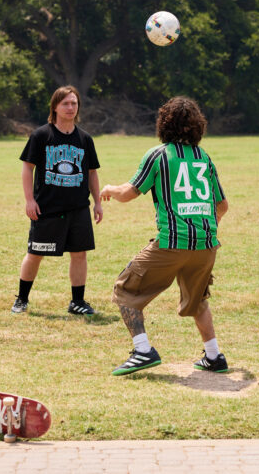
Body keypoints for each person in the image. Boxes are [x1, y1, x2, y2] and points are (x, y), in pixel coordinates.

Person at [100, 96, 229, 376]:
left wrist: (109, 187)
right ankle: (214, 356)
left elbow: (130, 192)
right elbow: (222, 205)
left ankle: (143, 350)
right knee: (198, 300)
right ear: (197, 125)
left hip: (172, 243)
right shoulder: (203, 157)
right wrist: (203, 227)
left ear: (164, 123)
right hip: (207, 245)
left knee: (124, 290)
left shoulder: (159, 154)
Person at [12, 85, 102, 316]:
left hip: (79, 207)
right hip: (48, 207)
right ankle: (21, 299)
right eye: (66, 103)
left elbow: (92, 172)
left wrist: (98, 202)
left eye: (74, 103)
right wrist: (29, 200)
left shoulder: (85, 139)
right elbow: (27, 168)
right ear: (55, 106)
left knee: (79, 254)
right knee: (36, 253)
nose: (70, 107)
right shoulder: (42, 135)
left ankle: (77, 301)